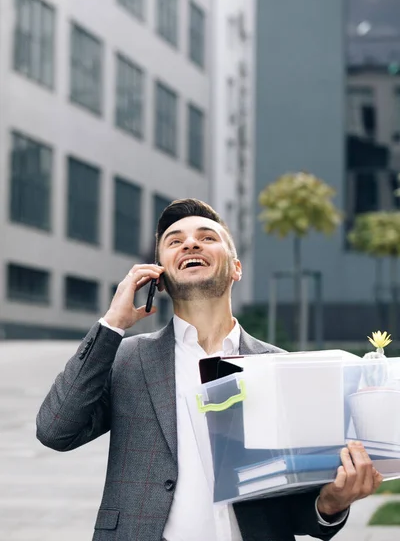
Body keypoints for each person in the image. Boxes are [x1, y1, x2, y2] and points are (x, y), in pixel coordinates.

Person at [36, 198, 383, 541]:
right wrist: (112, 323)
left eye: (207, 237)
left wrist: (332, 502)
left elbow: (293, 507)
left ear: (236, 268)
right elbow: (56, 430)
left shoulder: (280, 367)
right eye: (174, 241)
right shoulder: (127, 358)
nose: (190, 243)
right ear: (159, 277)